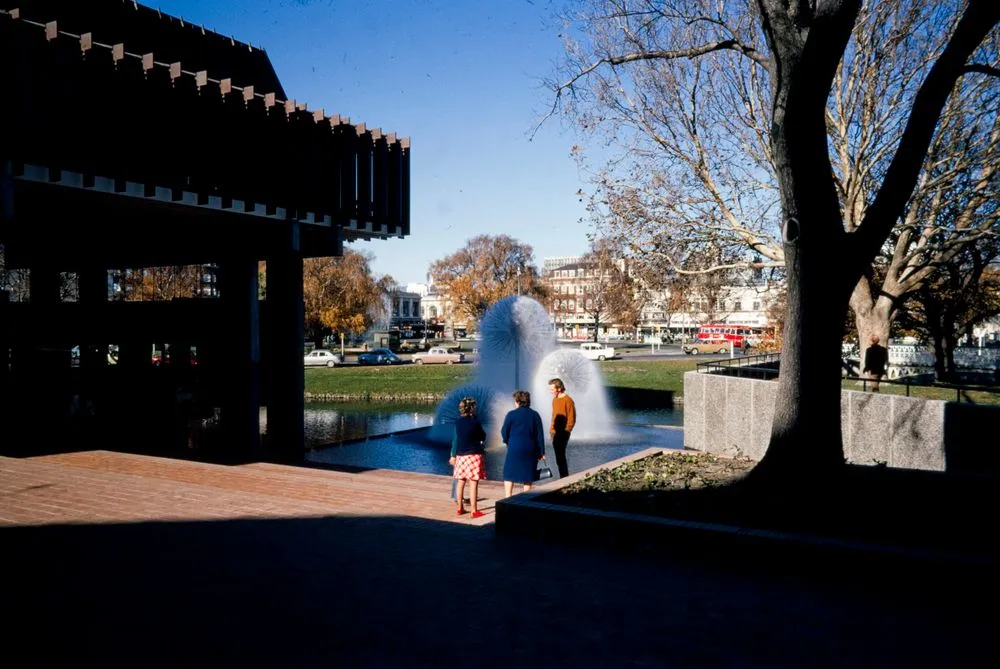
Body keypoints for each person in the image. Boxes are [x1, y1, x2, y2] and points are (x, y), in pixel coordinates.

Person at [499, 389, 546, 498]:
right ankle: (525, 498)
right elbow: (540, 435)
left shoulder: (511, 414)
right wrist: (541, 452)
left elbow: (504, 431)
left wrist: (508, 441)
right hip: (530, 448)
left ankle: (508, 498)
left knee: (509, 473)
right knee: (528, 474)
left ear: (518, 402)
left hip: (514, 447)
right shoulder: (535, 415)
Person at [448, 397, 487, 518]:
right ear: (472, 409)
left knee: (461, 481)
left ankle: (460, 508)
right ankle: (474, 511)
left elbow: (457, 439)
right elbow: (483, 436)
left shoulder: (458, 423)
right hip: (474, 454)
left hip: (461, 455)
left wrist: (453, 455)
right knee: (473, 483)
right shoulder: (475, 422)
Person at [548, 377, 576, 478]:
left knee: (561, 456)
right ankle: (563, 477)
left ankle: (564, 478)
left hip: (563, 433)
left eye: (552, 389)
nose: (550, 391)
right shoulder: (555, 399)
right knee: (558, 457)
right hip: (554, 433)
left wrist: (566, 431)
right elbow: (554, 416)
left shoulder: (568, 400)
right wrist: (551, 430)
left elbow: (571, 419)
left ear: (559, 388)